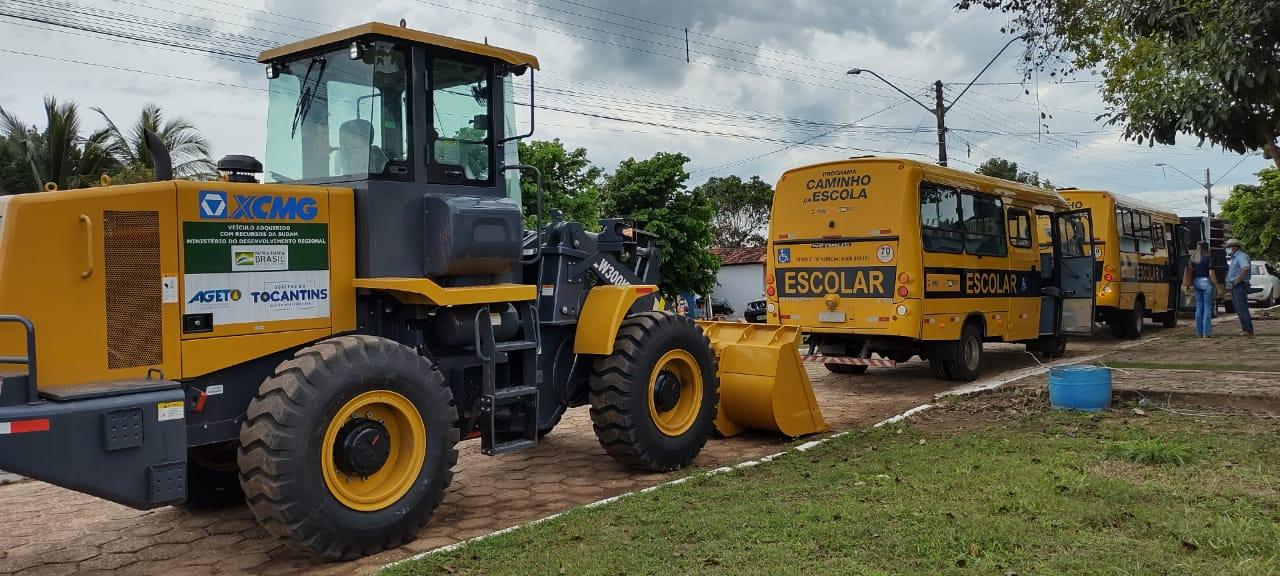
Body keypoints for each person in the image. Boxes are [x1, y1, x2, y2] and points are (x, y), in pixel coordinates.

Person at [1223, 238, 1254, 336]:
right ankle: (1246, 329)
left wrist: (1237, 281)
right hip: (1236, 286)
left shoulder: (1241, 256)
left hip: (1239, 285)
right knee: (1238, 308)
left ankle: (1247, 329)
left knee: (1241, 308)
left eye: (1229, 247)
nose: (1227, 248)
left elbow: (1245, 268)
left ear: (1235, 247)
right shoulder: (1235, 257)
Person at [1187, 242, 1217, 337]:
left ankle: (1199, 332)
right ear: (1206, 248)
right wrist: (1217, 286)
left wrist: (1188, 285)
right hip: (1206, 282)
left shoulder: (1193, 258)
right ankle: (1206, 332)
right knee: (1207, 307)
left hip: (1196, 282)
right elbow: (1211, 274)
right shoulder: (1209, 257)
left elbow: (1189, 272)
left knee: (1199, 307)